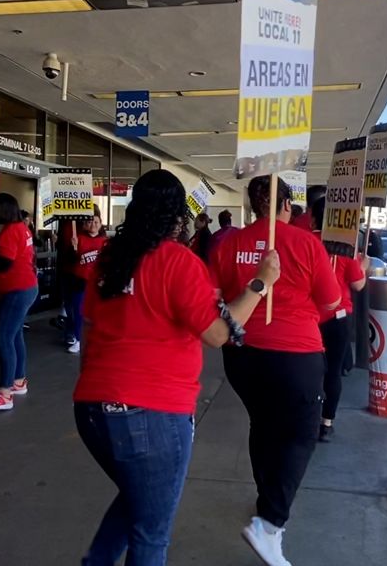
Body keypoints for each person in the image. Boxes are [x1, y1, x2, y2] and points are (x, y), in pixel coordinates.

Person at [74, 169, 281, 566]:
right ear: (177, 214)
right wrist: (260, 284)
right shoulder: (177, 262)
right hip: (151, 415)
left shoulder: (107, 259)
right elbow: (219, 334)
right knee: (151, 534)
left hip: (92, 411)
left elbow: (88, 327)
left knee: (139, 499)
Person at [208, 175, 342, 566]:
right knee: (301, 435)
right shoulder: (306, 243)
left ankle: (266, 497)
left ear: (253, 206)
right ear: (285, 206)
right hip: (295, 356)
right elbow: (332, 301)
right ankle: (270, 524)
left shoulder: (227, 243)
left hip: (241, 354)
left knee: (262, 424)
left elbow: (217, 301)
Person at [309, 197, 368, 442]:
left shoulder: (305, 242)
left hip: (308, 318)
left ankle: (308, 417)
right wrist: (363, 266)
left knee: (310, 371)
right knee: (332, 371)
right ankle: (326, 422)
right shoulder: (345, 248)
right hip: (337, 318)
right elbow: (358, 284)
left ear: (313, 216)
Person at [0, 194, 40, 411]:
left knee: (3, 338)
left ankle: (5, 393)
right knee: (15, 335)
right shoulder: (21, 228)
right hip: (25, 288)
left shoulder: (11, 232)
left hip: (17, 290)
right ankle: (18, 381)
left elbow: (4, 264)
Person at [66, 210, 108, 355]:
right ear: (85, 224)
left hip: (98, 283)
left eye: (96, 222)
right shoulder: (78, 239)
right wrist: (73, 248)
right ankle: (78, 340)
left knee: (98, 312)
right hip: (80, 281)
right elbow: (70, 262)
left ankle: (97, 339)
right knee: (79, 312)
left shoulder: (105, 241)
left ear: (101, 224)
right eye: (90, 221)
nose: (93, 224)